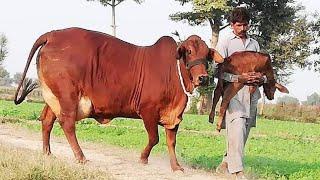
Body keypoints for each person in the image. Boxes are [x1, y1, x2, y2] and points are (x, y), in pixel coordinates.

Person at [214, 7, 266, 179]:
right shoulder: (225, 42)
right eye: (239, 25)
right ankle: (237, 171)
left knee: (245, 128)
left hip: (252, 93)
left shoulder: (254, 44)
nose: (243, 29)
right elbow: (218, 71)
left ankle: (227, 161)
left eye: (245, 25)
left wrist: (260, 78)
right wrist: (239, 78)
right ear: (232, 25)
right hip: (233, 91)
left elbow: (261, 68)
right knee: (236, 125)